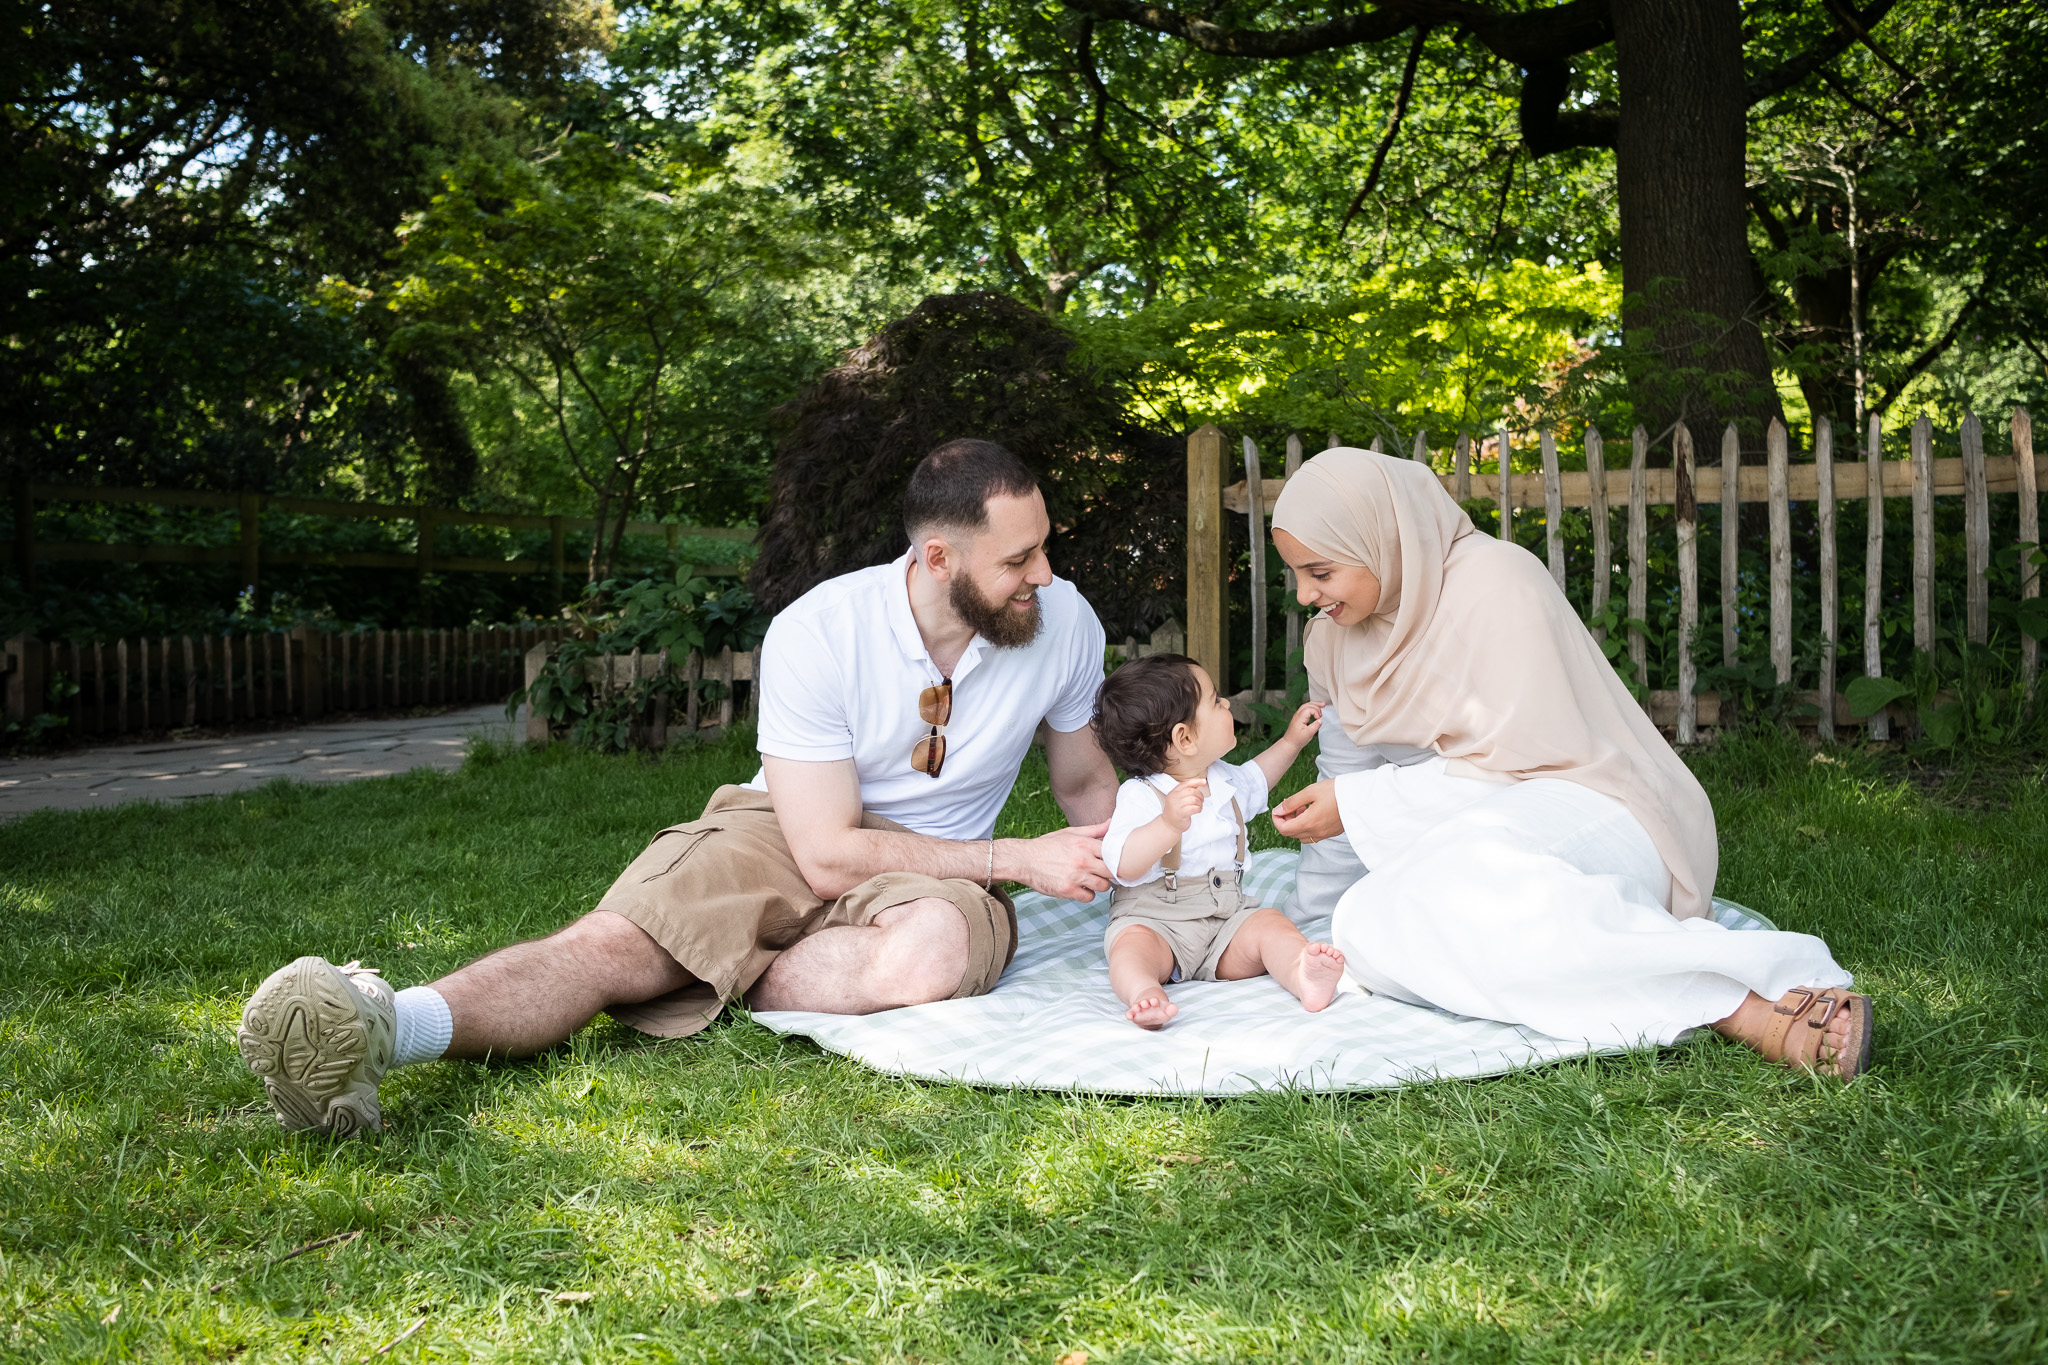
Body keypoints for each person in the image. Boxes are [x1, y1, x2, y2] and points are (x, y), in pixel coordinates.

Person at [237, 439, 1120, 1135]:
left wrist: (1157, 871)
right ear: (937, 557)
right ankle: (378, 1025)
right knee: (610, 944)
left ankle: (709, 967)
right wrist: (1017, 857)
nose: (1043, 573)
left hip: (939, 872)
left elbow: (1080, 777)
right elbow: (822, 851)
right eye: (1019, 558)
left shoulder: (1063, 621)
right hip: (792, 824)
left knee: (930, 953)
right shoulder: (820, 629)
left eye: (1043, 547)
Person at [1266, 447, 1873, 1078]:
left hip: (1593, 801)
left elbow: (1519, 759)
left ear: (1380, 539)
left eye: (1322, 572)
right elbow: (1342, 784)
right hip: (1460, 845)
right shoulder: (1333, 643)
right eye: (1298, 577)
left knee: (1470, 875)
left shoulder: (1495, 581)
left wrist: (1358, 807)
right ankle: (1692, 987)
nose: (1308, 595)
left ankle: (1748, 1002)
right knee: (1367, 922)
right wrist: (1315, 928)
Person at [1090, 653, 1341, 1029]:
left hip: (1226, 920)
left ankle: (1301, 972)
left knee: (1269, 924)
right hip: (1159, 922)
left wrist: (1291, 742)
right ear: (1185, 738)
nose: (1227, 705)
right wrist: (1167, 824)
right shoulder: (1141, 795)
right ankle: (1144, 992)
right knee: (1130, 948)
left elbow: (1259, 778)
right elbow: (1122, 863)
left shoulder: (1224, 779)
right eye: (1217, 701)